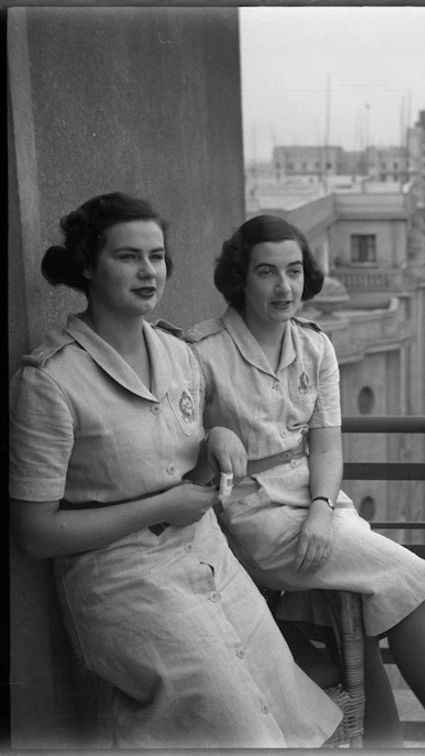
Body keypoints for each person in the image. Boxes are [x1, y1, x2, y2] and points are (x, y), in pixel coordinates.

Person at [8, 194, 342, 748]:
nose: (148, 272)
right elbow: (34, 534)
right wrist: (162, 507)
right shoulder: (50, 382)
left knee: (287, 709)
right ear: (88, 266)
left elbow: (188, 453)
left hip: (205, 555)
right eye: (128, 257)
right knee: (241, 728)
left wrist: (216, 438)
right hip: (120, 580)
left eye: (157, 257)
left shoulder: (178, 353)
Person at [186, 214, 425, 748]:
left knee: (362, 604)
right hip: (250, 509)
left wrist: (322, 509)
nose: (284, 287)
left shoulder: (314, 346)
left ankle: (387, 743)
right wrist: (214, 434)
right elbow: (183, 449)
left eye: (294, 271)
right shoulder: (201, 351)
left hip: (318, 496)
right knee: (410, 580)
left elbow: (327, 444)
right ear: (240, 276)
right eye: (266, 271)